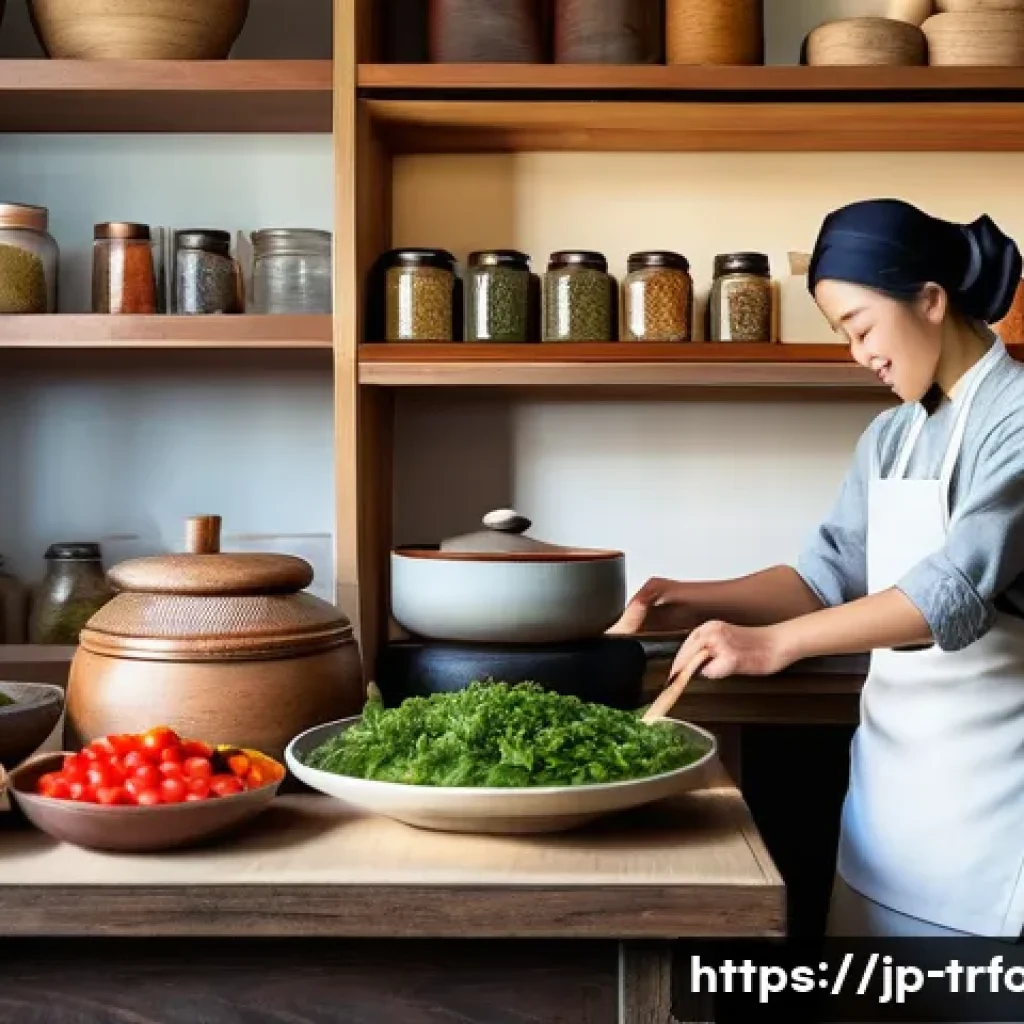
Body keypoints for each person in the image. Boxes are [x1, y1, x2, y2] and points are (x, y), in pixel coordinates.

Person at [610, 198, 1024, 942]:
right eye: (844, 336)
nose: (858, 354)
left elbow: (947, 595)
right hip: (885, 812)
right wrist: (685, 600)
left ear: (931, 300)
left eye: (860, 327)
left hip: (990, 823)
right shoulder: (891, 436)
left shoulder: (1016, 419)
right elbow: (823, 580)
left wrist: (775, 644)